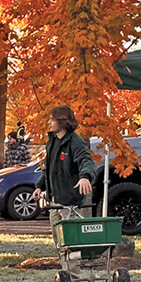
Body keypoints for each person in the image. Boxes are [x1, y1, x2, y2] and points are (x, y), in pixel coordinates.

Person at [33, 106, 96, 264]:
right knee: (59, 243)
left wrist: (85, 177)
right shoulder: (52, 141)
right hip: (54, 200)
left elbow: (86, 161)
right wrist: (40, 186)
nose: (49, 122)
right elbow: (48, 168)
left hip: (70, 202)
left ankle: (72, 280)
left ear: (62, 121)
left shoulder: (75, 141)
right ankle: (65, 278)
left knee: (71, 243)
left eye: (52, 119)